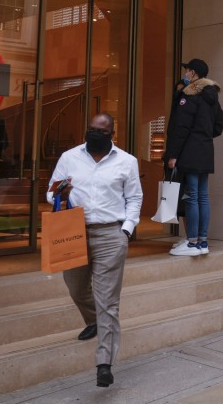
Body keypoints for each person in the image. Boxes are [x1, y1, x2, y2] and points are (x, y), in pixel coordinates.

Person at [48, 113, 143, 388]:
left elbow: (134, 197)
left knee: (108, 301)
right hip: (74, 232)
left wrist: (126, 229)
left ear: (112, 133)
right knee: (76, 288)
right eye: (91, 129)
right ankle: (93, 320)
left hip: (110, 235)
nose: (94, 134)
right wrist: (60, 194)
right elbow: (50, 192)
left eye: (101, 131)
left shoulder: (127, 161)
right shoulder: (69, 157)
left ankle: (104, 364)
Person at [166, 58, 223, 256]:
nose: (186, 73)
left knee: (191, 197)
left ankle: (192, 243)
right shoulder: (212, 96)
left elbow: (181, 128)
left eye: (188, 70)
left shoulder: (189, 95)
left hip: (189, 151)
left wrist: (173, 154)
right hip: (206, 151)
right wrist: (203, 134)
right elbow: (218, 127)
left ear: (193, 73)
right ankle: (202, 242)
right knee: (202, 196)